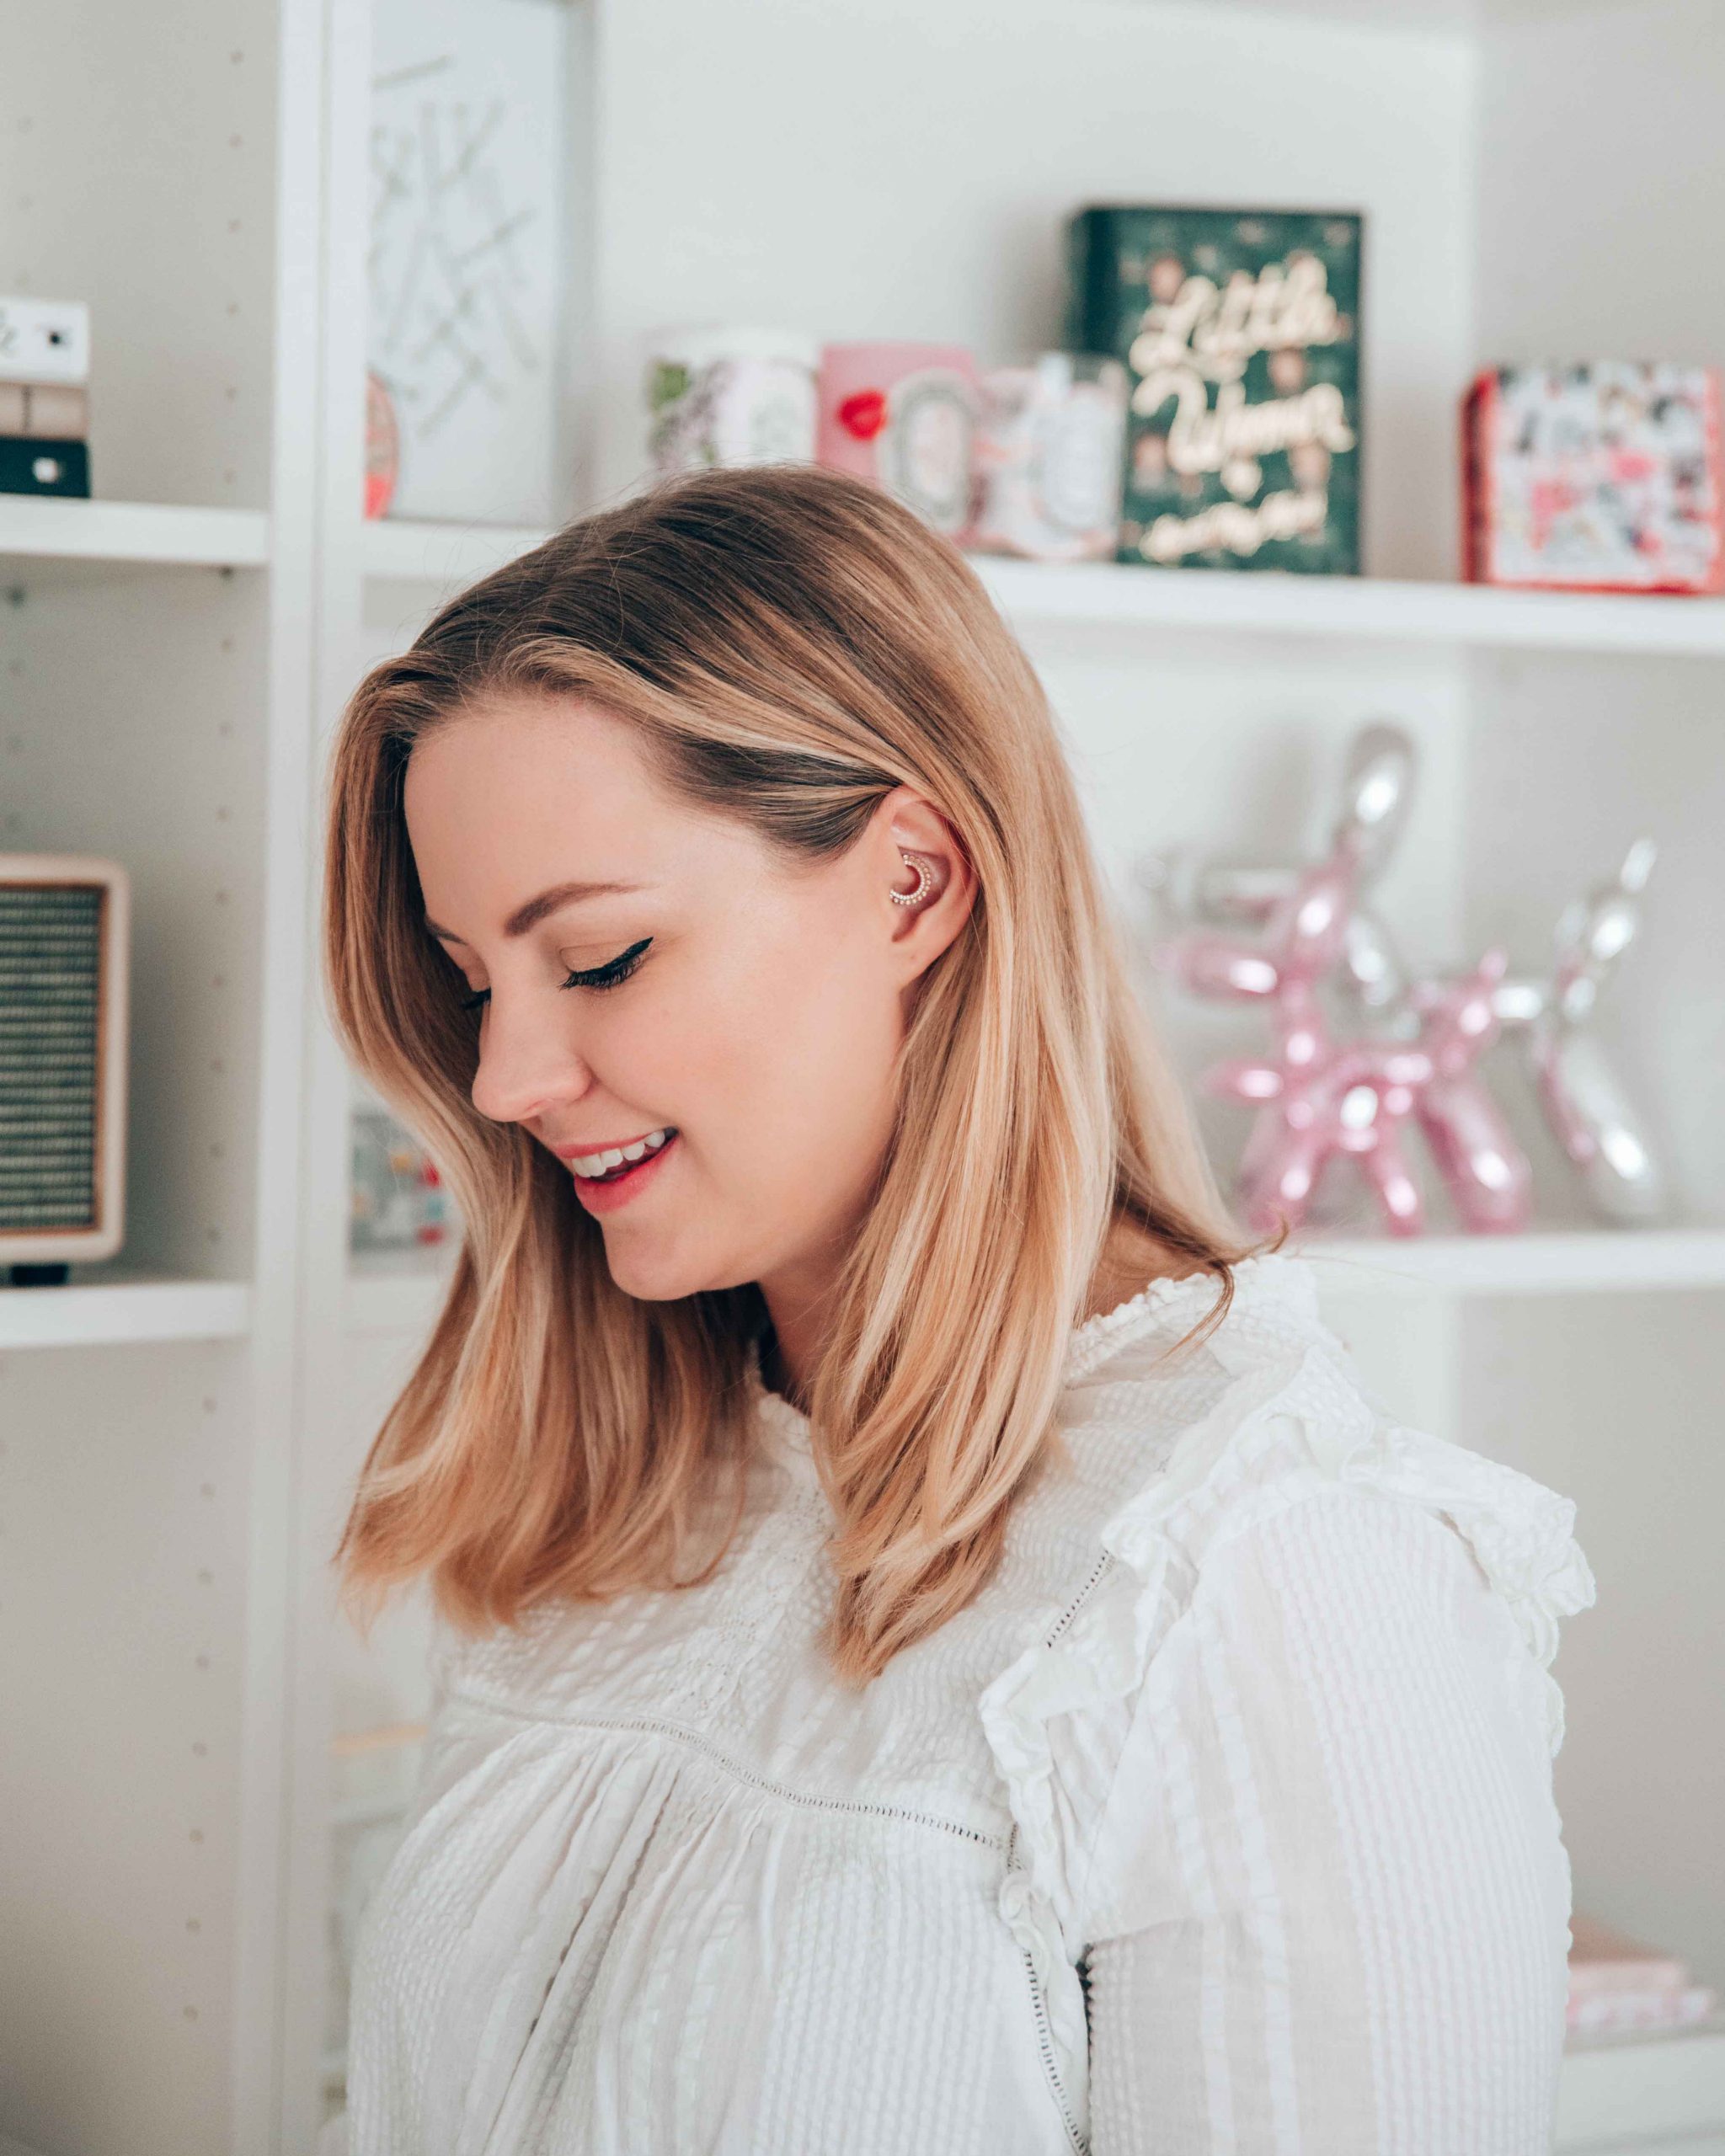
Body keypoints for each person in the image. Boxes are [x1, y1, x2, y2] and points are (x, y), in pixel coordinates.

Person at [318, 464, 1595, 2153]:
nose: (503, 1076)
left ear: (913, 884)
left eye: (604, 958)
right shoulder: (622, 1488)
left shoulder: (1265, 1574)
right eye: (475, 979)